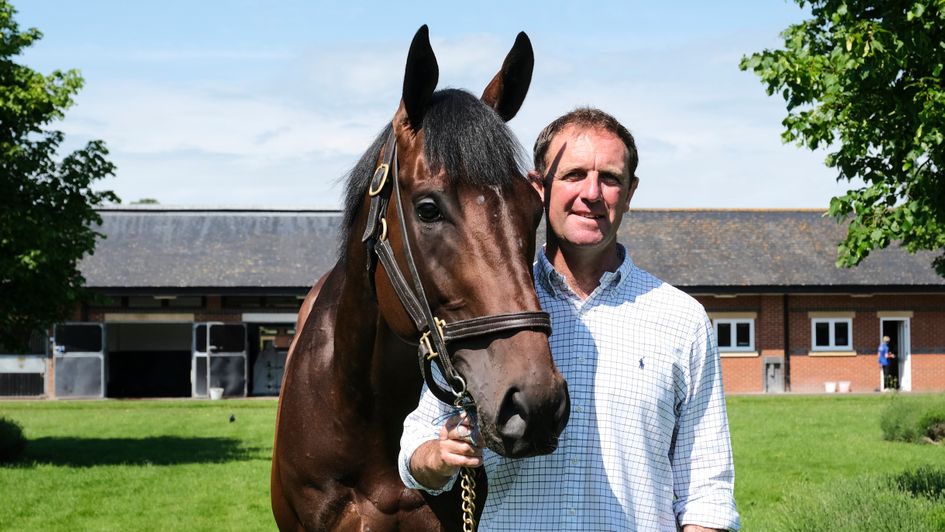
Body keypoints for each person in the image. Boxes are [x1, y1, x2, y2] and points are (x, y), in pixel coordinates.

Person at [399, 107, 740, 531]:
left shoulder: (682, 320)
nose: (592, 192)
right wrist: (435, 456)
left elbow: (706, 491)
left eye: (610, 178)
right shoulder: (491, 310)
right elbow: (417, 442)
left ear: (630, 193)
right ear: (539, 187)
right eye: (574, 175)